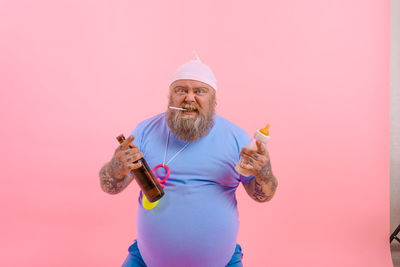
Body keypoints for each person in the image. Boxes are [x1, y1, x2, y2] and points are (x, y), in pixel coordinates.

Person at [99, 54, 278, 267]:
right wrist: (116, 167)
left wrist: (264, 171)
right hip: (145, 260)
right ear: (170, 97)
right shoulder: (145, 132)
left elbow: (262, 196)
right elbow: (110, 187)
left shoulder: (236, 138)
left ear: (213, 99)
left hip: (222, 261)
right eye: (181, 90)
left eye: (199, 91)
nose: (189, 98)